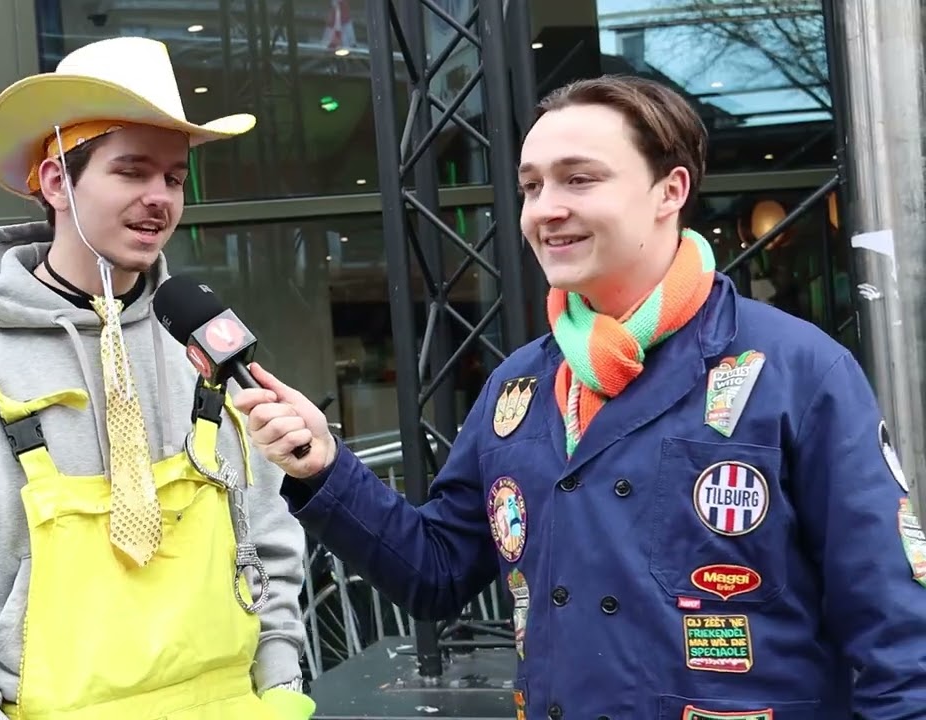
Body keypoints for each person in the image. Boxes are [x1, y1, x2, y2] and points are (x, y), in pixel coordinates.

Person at [234, 75, 926, 719]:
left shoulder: (798, 370)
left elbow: (896, 638)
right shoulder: (521, 387)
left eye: (579, 179)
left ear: (669, 189)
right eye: (532, 185)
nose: (546, 210)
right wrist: (323, 467)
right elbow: (437, 571)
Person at [0, 37, 313, 720]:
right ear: (56, 182)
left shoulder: (207, 346)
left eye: (172, 177)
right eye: (132, 171)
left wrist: (282, 686)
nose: (159, 198)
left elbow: (267, 535)